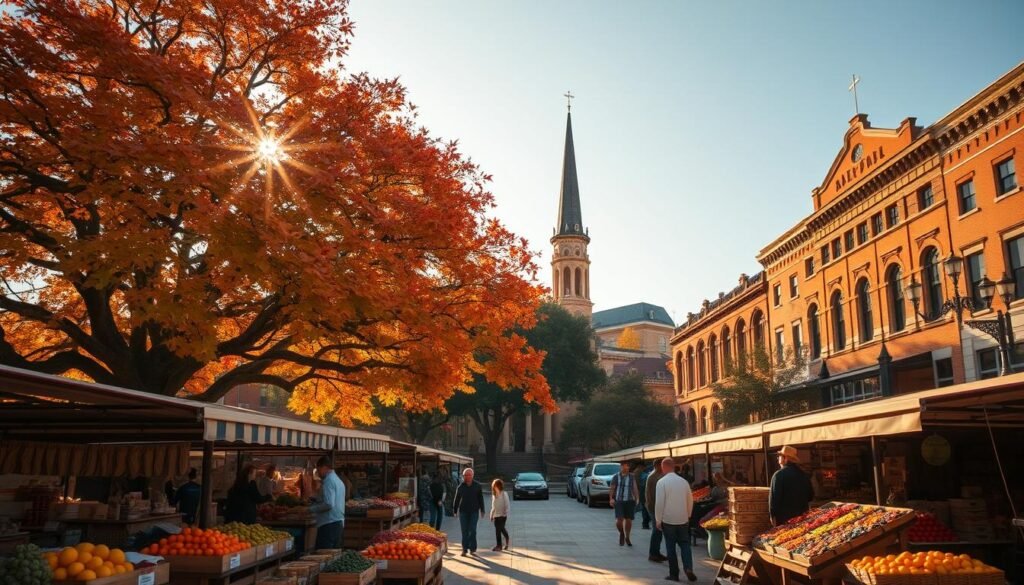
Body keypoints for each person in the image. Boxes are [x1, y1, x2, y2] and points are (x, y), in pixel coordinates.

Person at [655, 457, 696, 583]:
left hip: (668, 520)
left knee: (670, 547)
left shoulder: (662, 482)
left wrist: (658, 519)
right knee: (685, 545)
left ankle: (674, 574)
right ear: (673, 466)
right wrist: (688, 515)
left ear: (664, 467)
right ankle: (688, 568)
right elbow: (690, 500)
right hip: (682, 519)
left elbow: (659, 503)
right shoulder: (683, 482)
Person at [769, 445, 813, 526]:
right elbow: (810, 496)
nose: (778, 458)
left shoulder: (778, 475)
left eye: (779, 456)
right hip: (802, 518)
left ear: (785, 458)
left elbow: (774, 499)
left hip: (784, 519)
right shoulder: (803, 474)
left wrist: (772, 515)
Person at [312, 456, 346, 549]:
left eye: (318, 470)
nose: (318, 473)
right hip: (338, 522)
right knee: (333, 556)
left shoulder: (329, 481)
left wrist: (311, 509)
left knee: (323, 556)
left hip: (328, 524)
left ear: (324, 467)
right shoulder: (338, 481)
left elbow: (329, 504)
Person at [452, 468, 484, 556]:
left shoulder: (477, 486)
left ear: (472, 475)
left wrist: (482, 510)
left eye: (469, 475)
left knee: (472, 530)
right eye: (466, 475)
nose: (467, 477)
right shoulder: (460, 487)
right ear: (463, 476)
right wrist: (455, 510)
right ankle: (464, 549)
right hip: (463, 512)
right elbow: (456, 499)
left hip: (474, 511)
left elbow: (480, 498)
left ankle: (473, 548)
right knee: (464, 531)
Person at [609, 461, 640, 547]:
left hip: (629, 500)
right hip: (619, 501)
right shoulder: (616, 476)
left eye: (626, 466)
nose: (624, 468)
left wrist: (637, 498)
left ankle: (627, 537)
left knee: (629, 520)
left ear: (628, 467)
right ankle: (621, 532)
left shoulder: (632, 477)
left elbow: (634, 488)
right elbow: (612, 488)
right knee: (619, 520)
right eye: (623, 466)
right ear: (621, 467)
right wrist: (611, 498)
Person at [645, 461, 668, 563]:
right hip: (654, 507)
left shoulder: (656, 476)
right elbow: (655, 496)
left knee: (658, 531)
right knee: (657, 531)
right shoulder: (654, 477)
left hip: (654, 506)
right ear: (657, 466)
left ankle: (656, 552)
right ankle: (653, 554)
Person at [489, 478, 511, 551]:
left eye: (495, 485)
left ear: (499, 486)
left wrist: (506, 513)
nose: (494, 487)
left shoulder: (504, 494)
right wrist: (491, 515)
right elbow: (493, 506)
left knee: (500, 529)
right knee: (498, 530)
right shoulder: (494, 495)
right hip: (496, 515)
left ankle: (500, 545)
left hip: (503, 515)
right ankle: (500, 545)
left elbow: (507, 504)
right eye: (493, 486)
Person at [637, 463, 651, 530]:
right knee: (646, 510)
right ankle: (645, 523)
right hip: (645, 495)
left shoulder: (641, 475)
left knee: (644, 509)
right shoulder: (646, 476)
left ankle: (645, 524)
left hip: (642, 495)